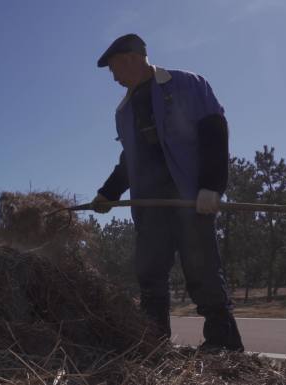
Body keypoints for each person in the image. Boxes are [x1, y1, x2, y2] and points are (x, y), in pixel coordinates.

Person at [91, 33, 244, 352]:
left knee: (203, 275)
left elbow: (214, 133)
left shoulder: (187, 84)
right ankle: (154, 345)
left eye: (115, 69)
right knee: (150, 278)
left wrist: (211, 187)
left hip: (191, 201)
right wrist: (109, 193)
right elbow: (128, 161)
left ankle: (224, 347)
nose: (115, 78)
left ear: (131, 59)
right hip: (151, 208)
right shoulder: (124, 112)